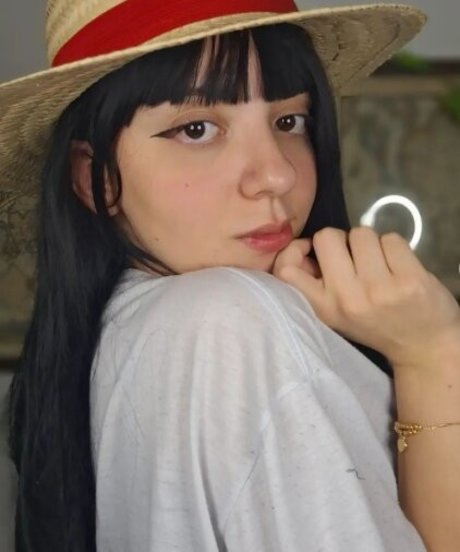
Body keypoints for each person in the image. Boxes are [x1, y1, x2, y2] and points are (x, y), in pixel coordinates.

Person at [1, 0, 459, 551]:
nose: (276, 174)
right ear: (94, 179)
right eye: (196, 129)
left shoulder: (120, 333)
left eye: (289, 121)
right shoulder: (232, 321)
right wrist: (432, 353)